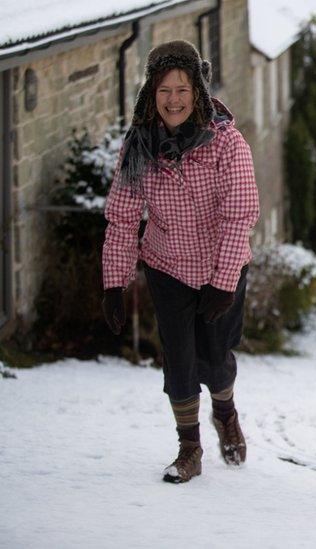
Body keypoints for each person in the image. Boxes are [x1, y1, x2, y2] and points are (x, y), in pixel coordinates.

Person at [101, 40, 260, 484]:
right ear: (151, 93)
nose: (174, 100)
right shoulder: (138, 146)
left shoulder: (227, 142)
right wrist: (114, 283)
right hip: (167, 264)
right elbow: (122, 216)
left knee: (215, 356)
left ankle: (225, 411)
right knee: (179, 360)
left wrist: (224, 280)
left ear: (198, 92)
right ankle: (189, 447)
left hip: (220, 267)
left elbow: (240, 213)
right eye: (165, 90)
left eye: (183, 89)